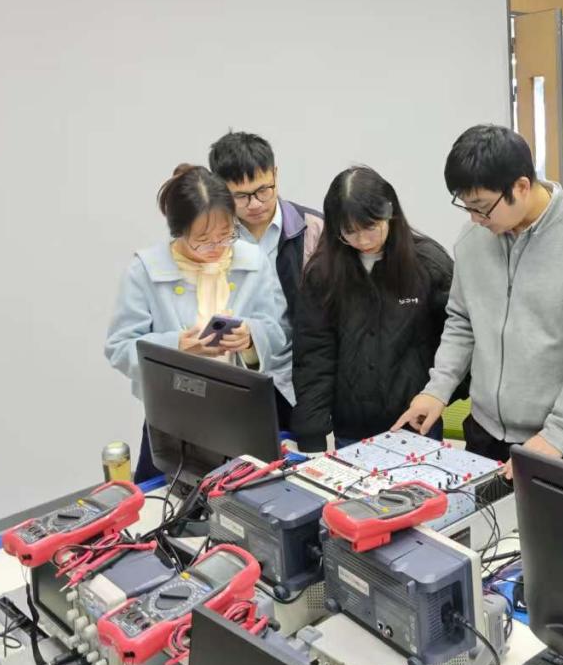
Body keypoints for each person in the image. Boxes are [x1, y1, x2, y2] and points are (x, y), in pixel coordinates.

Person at [394, 125, 563, 476]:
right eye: (467, 207)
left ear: (521, 186)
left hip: (558, 441)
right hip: (484, 432)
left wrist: (557, 436)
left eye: (483, 207)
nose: (475, 219)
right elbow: (462, 321)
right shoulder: (474, 238)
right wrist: (437, 390)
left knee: (549, 517)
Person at [290, 167, 455, 452]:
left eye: (370, 227)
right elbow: (314, 355)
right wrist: (311, 432)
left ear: (390, 213)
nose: (363, 241)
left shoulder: (429, 264)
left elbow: (458, 338)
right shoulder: (323, 274)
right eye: (349, 232)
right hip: (352, 428)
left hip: (416, 424)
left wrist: (440, 395)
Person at [104, 164, 289, 398]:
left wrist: (251, 338)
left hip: (239, 403)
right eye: (203, 240)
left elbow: (276, 331)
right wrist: (176, 346)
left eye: (226, 235)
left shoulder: (253, 260)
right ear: (179, 231)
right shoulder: (146, 269)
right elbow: (119, 347)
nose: (217, 247)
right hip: (171, 406)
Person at [208, 131, 322, 429]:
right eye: (241, 196)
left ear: (275, 175)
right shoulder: (210, 239)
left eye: (263, 190)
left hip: (300, 382)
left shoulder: (314, 230)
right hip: (236, 382)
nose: (255, 203)